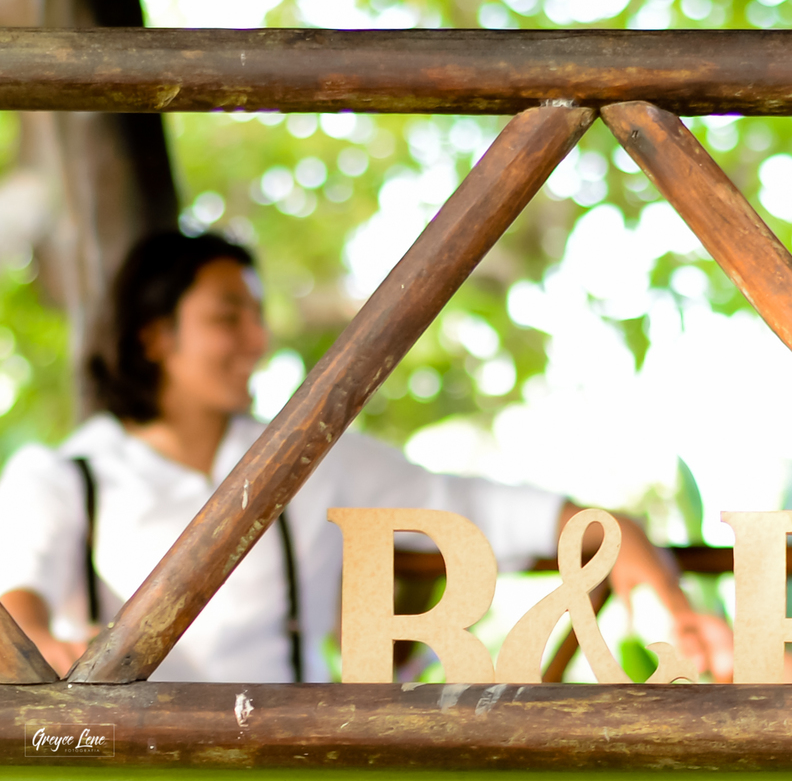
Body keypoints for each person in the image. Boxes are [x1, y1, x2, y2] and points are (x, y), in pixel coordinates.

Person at [0, 231, 733, 683]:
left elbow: (534, 517)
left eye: (258, 315)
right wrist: (49, 651)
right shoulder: (62, 477)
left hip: (292, 763)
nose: (257, 340)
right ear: (152, 337)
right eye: (229, 317)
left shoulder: (316, 463)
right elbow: (18, 602)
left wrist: (667, 601)